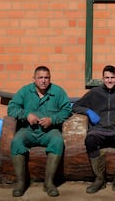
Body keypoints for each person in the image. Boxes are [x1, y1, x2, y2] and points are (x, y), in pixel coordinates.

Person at [72, 65, 115, 197]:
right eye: (107, 78)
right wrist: (88, 111)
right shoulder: (94, 93)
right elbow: (76, 106)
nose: (109, 80)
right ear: (102, 79)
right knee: (90, 140)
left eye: (112, 78)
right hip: (98, 130)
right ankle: (99, 179)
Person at [7, 66, 72, 198]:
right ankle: (20, 183)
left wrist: (52, 119)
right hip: (28, 130)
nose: (43, 81)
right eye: (40, 77)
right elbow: (11, 108)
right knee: (16, 141)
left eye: (46, 77)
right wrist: (26, 115)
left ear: (50, 79)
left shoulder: (58, 92)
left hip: (49, 131)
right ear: (34, 79)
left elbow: (67, 110)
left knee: (58, 140)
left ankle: (49, 183)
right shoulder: (25, 91)